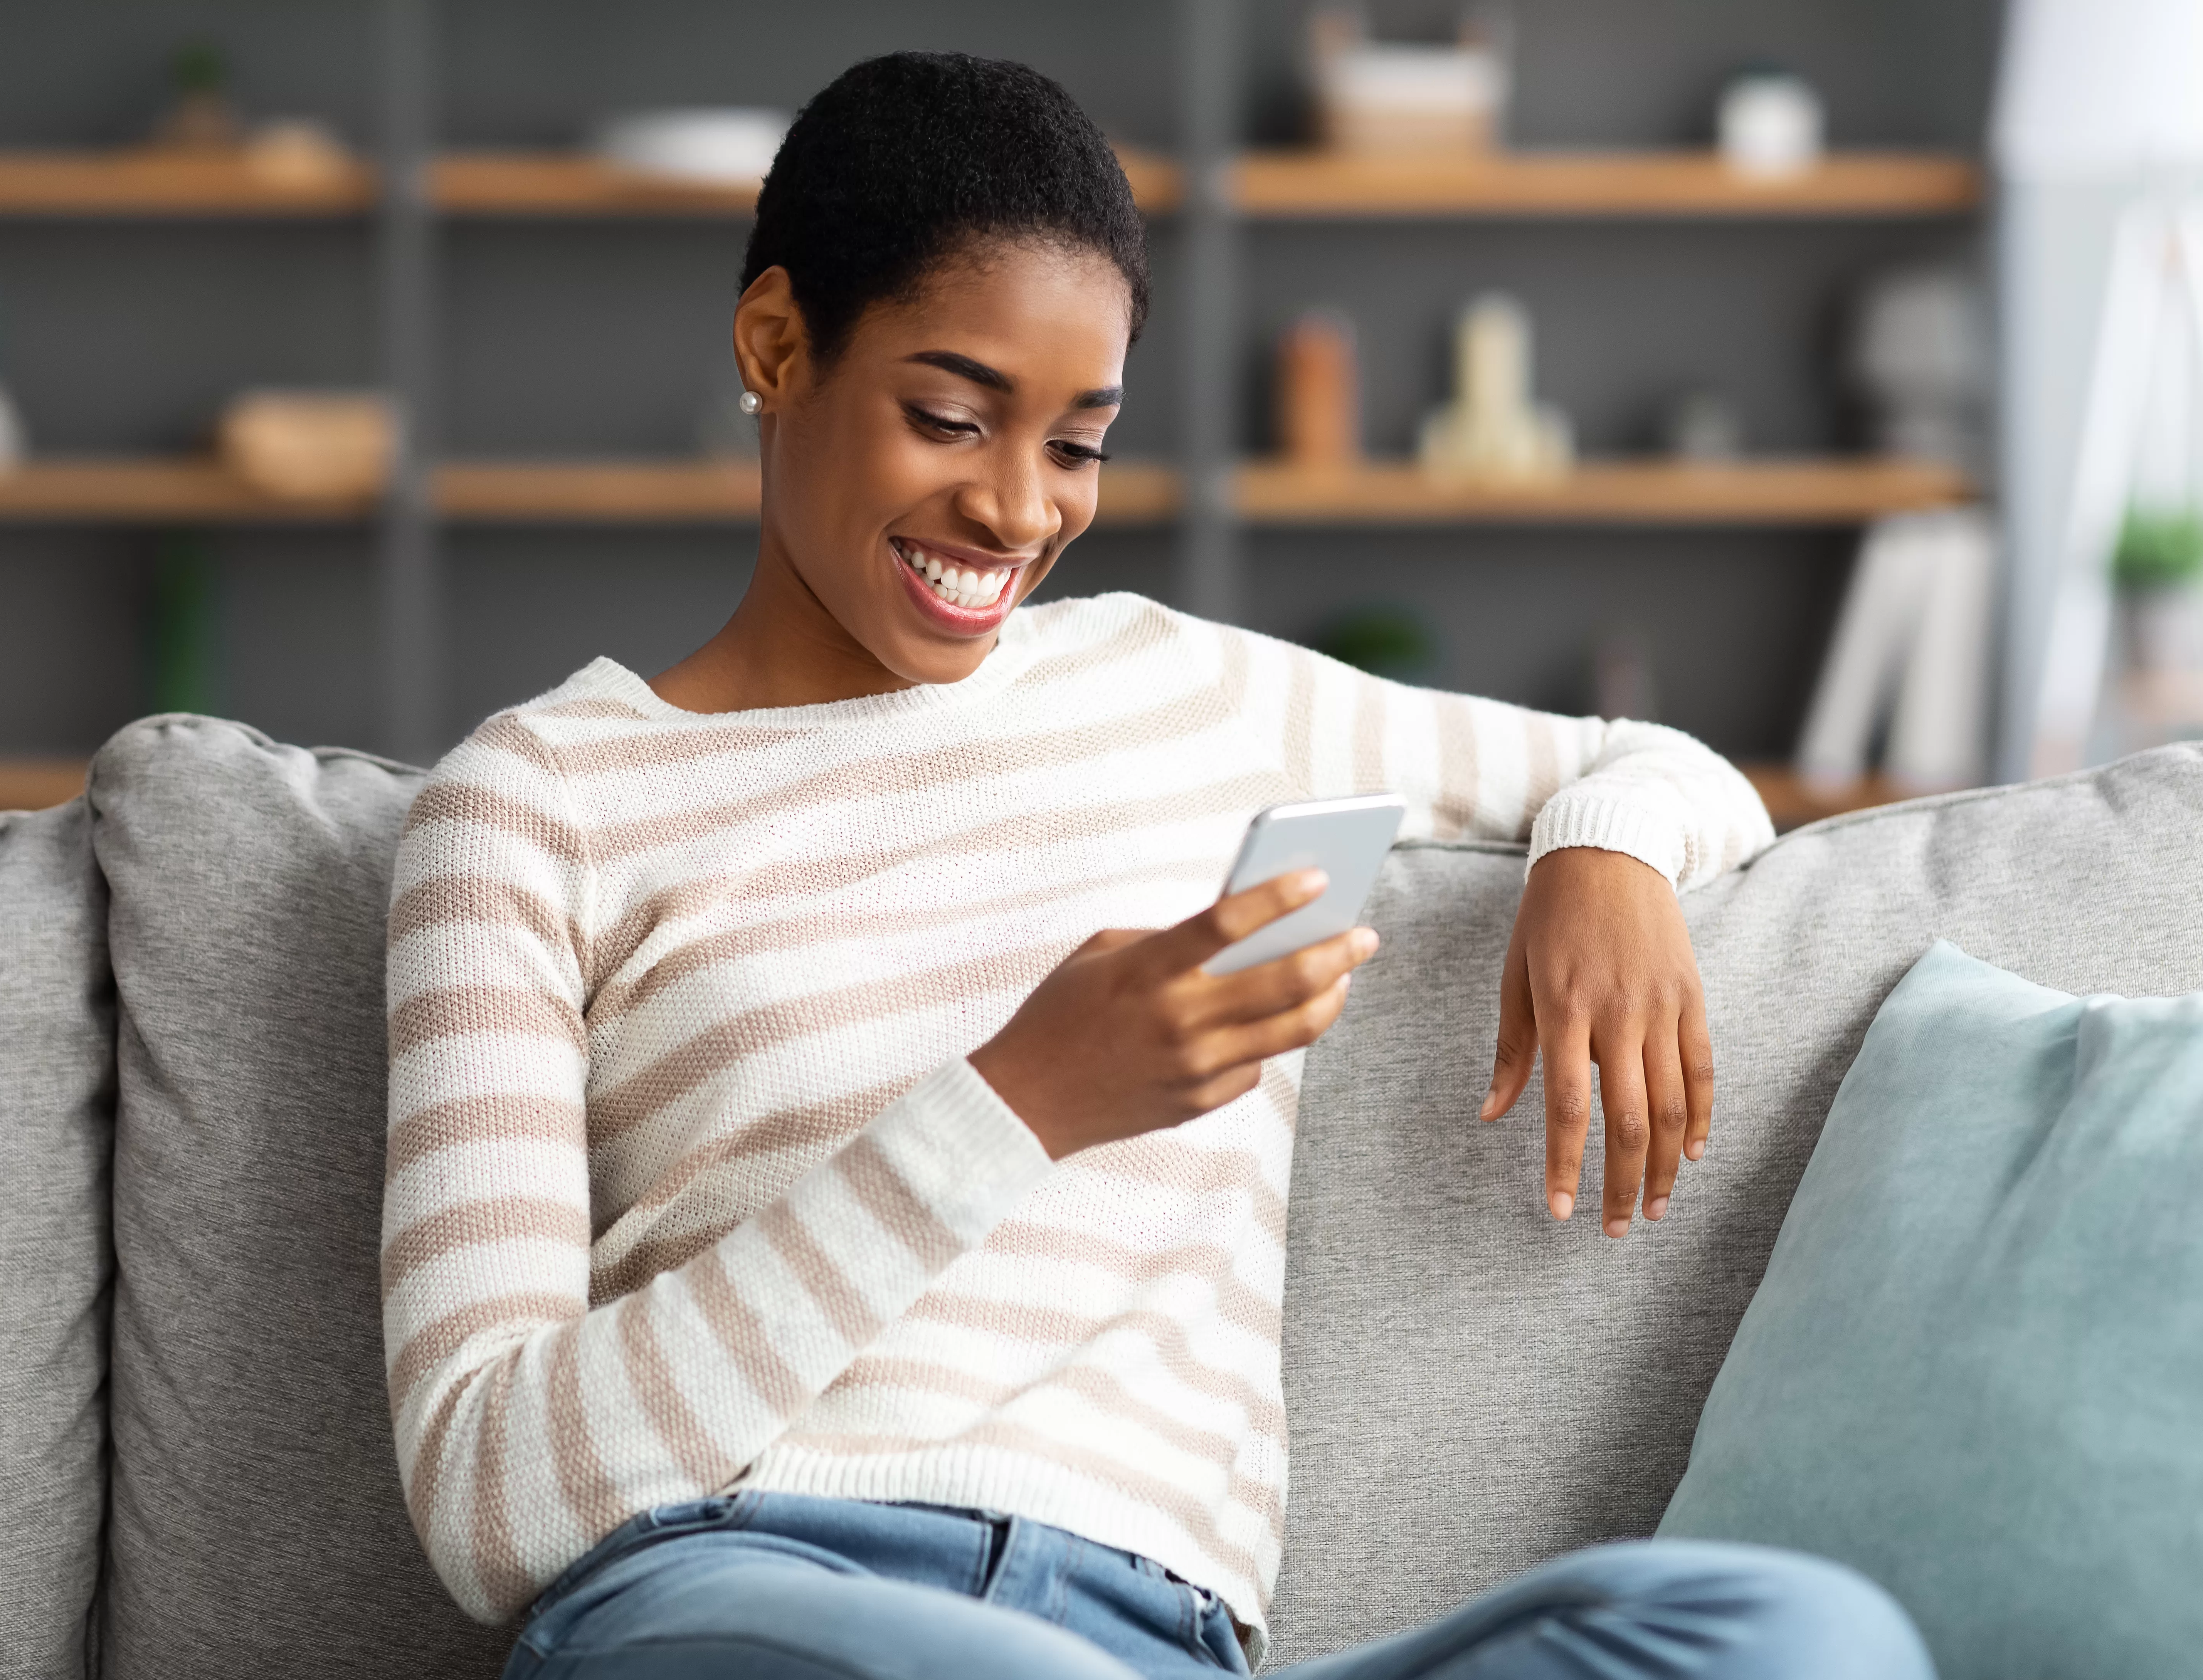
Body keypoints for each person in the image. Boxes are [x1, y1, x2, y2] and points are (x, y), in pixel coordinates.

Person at [383, 50, 1930, 1680]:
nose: (1013, 508)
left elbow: (1651, 764)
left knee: (1797, 1637)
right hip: (743, 1597)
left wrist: (1607, 860)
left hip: (1155, 1639)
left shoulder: (1180, 688)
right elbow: (490, 1500)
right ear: (778, 345)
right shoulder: (536, 804)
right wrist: (1022, 1098)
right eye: (951, 417)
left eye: (1079, 445)